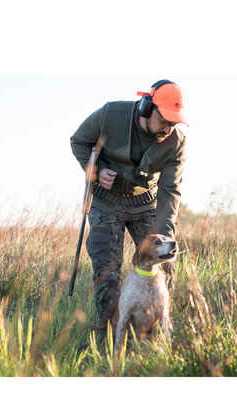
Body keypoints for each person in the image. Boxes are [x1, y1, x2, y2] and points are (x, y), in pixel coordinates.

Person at [70, 79, 187, 340]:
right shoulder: (111, 115)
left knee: (166, 264)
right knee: (107, 273)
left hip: (145, 204)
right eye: (165, 120)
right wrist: (96, 171)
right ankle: (105, 339)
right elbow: (78, 141)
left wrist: (165, 235)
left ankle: (155, 339)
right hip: (105, 203)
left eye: (174, 122)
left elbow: (171, 192)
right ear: (147, 107)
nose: (169, 127)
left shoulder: (176, 142)